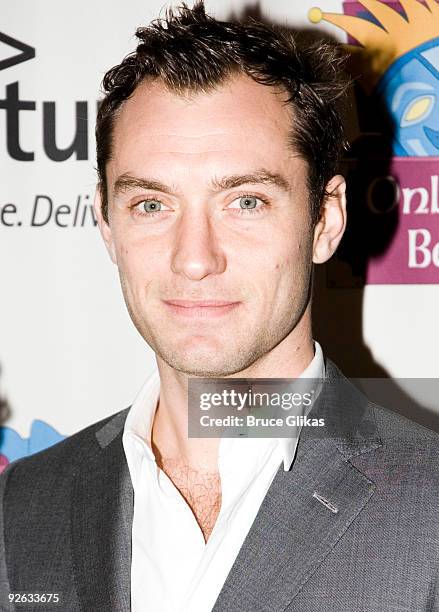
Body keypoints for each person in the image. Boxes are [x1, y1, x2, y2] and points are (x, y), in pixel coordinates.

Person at [1, 2, 439, 611]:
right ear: (105, 221)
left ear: (325, 221)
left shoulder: (430, 512)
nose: (194, 259)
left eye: (246, 202)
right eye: (152, 204)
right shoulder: (23, 504)